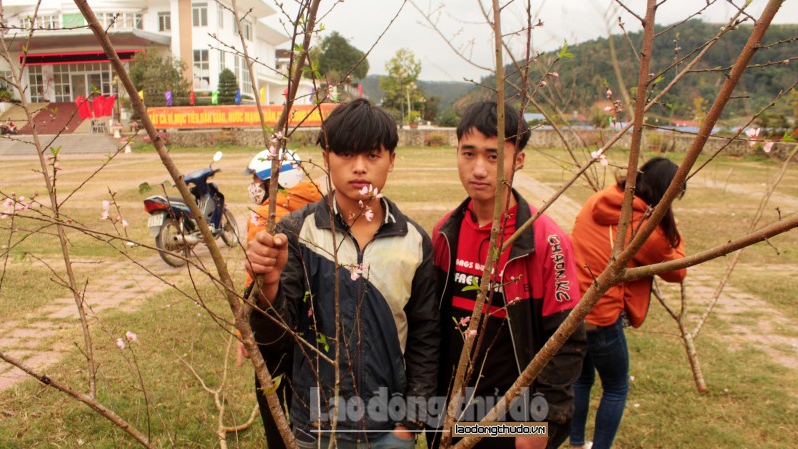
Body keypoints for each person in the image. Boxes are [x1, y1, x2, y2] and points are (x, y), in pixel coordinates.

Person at [246, 98, 440, 448]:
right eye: (346, 154)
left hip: (387, 427)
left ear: (392, 160)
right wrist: (269, 285)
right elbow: (272, 339)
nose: (359, 168)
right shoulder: (295, 233)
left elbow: (426, 337)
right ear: (326, 159)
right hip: (314, 426)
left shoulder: (414, 242)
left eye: (372, 155)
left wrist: (410, 424)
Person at [429, 101, 586, 449]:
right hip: (450, 414)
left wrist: (538, 422)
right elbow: (430, 331)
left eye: (493, 156)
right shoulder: (444, 235)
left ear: (519, 160)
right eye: (468, 154)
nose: (479, 169)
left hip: (513, 422)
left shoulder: (548, 241)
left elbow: (567, 342)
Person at [568, 157, 687, 449]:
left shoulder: (600, 198)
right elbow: (678, 271)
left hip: (572, 311)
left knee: (581, 381)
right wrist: (668, 219)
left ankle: (575, 442)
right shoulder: (646, 230)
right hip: (603, 317)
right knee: (617, 387)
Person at [240, 148, 322, 449]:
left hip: (275, 324)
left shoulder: (264, 216)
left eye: (256, 179)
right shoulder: (322, 207)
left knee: (274, 404)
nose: (253, 185)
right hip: (314, 331)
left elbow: (256, 279)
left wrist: (245, 329)